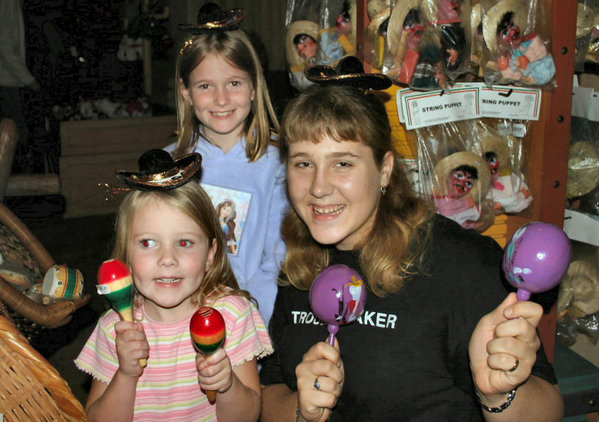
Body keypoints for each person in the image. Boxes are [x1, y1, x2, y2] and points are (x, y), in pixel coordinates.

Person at [259, 61, 563, 421]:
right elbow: (272, 391)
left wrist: (496, 393)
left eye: (342, 163)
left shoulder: (461, 264)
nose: (318, 187)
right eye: (303, 163)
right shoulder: (302, 260)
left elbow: (549, 410)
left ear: (384, 169)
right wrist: (302, 411)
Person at [75, 149, 273, 421]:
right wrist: (126, 373)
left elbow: (247, 417)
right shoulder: (115, 329)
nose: (167, 259)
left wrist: (227, 385)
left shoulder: (232, 315)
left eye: (184, 242)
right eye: (148, 243)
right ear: (126, 258)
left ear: (210, 254)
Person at [165, 3, 287, 326]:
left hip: (248, 319)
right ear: (186, 91)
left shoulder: (278, 164)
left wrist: (249, 318)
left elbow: (276, 258)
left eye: (234, 83)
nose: (221, 99)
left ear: (254, 86)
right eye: (205, 86)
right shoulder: (168, 167)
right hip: (178, 320)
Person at [0, 0, 41, 146]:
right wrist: (28, 79)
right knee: (15, 134)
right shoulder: (8, 3)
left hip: (9, 79)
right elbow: (4, 44)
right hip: (6, 80)